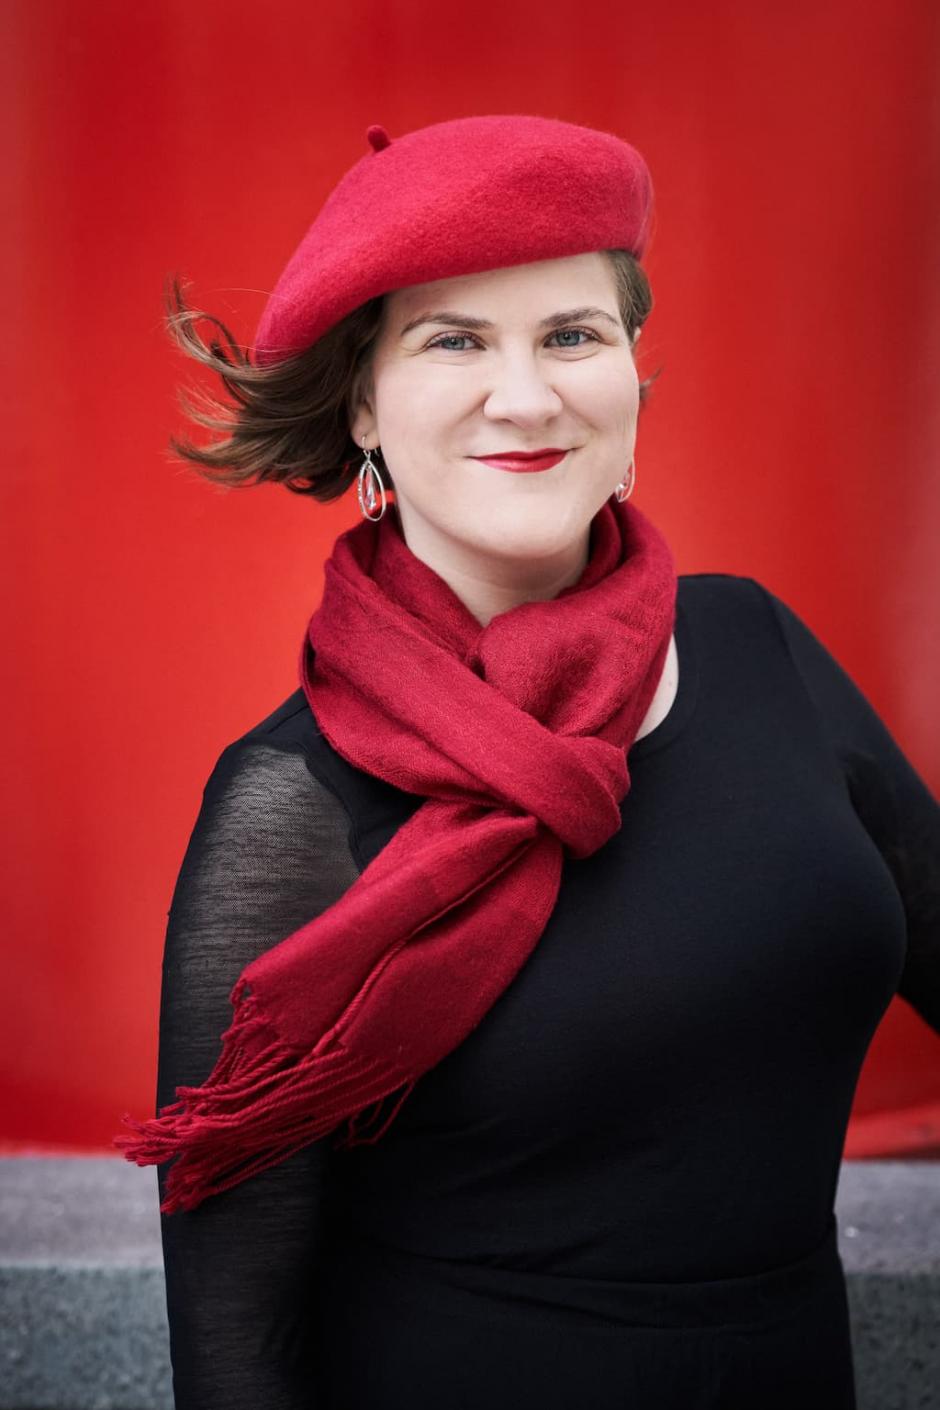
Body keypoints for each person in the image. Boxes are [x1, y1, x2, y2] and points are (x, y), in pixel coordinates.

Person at [115, 115, 939, 1409]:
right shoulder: (292, 805)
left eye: (572, 333)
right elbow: (237, 1349)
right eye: (454, 340)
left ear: (631, 378)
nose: (527, 393)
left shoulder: (760, 648)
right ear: (364, 404)